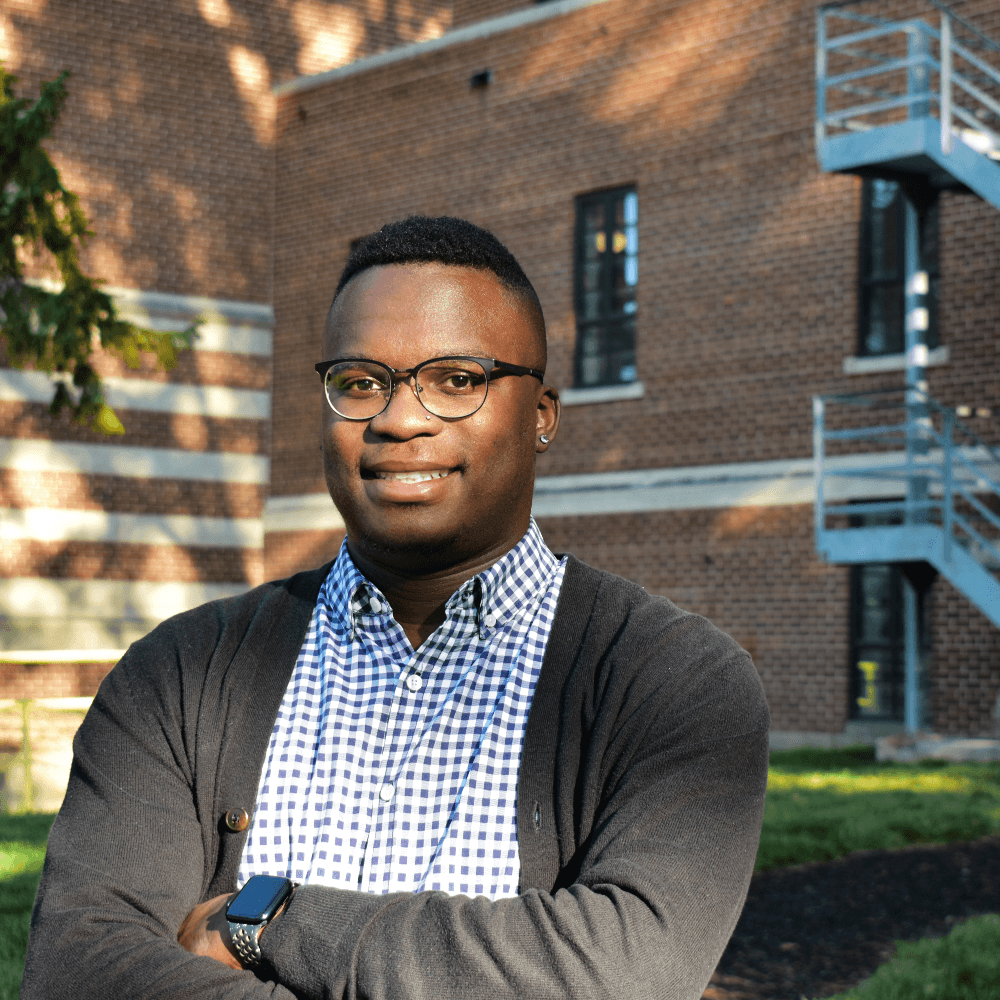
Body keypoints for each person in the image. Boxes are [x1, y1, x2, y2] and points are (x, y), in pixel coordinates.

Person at [22, 216, 769, 999]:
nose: (399, 418)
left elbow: (622, 972)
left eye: (456, 380)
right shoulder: (178, 676)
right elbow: (79, 969)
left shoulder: (674, 683)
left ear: (541, 415)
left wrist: (271, 920)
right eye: (359, 381)